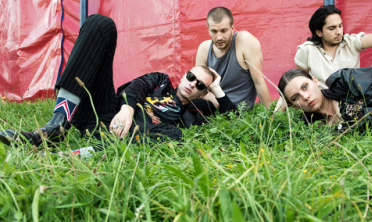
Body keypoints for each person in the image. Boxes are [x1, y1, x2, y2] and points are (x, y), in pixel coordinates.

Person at [0, 14, 235, 147]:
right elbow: (137, 86)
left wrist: (216, 87)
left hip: (119, 134)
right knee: (101, 25)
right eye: (192, 76)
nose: (193, 83)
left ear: (203, 92)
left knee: (173, 136)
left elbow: (233, 116)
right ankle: (56, 126)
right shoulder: (161, 80)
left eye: (201, 85)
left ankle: (93, 149)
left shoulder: (193, 112)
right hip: (102, 109)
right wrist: (127, 109)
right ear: (184, 74)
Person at [295, 5, 372, 89]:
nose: (339, 32)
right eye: (332, 28)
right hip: (328, 102)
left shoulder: (350, 42)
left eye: (340, 26)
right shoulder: (306, 50)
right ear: (319, 32)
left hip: (360, 92)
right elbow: (297, 81)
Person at [195, 6, 272, 109]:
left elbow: (258, 82)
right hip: (214, 108)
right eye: (214, 31)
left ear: (232, 29)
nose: (219, 37)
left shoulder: (244, 41)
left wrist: (271, 117)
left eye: (223, 30)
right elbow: (199, 88)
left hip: (240, 111)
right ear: (208, 29)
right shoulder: (204, 49)